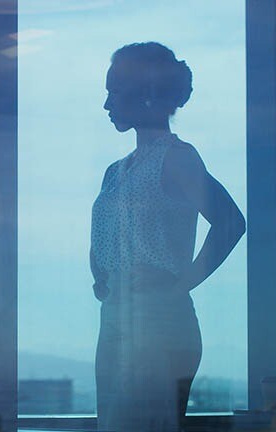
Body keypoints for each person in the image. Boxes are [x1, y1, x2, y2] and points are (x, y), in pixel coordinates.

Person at [91, 42, 246, 431]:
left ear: (144, 94)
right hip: (114, 318)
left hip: (157, 321)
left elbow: (230, 222)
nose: (107, 104)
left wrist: (179, 287)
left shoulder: (178, 157)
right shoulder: (116, 170)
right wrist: (104, 278)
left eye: (114, 91)